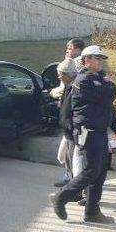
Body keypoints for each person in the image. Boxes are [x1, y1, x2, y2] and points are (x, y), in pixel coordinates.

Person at [49, 45, 116, 224]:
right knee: (91, 171)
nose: (101, 61)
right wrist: (109, 84)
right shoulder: (84, 80)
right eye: (97, 58)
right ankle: (60, 198)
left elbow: (107, 104)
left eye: (102, 58)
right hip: (89, 132)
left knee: (100, 172)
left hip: (100, 131)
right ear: (86, 60)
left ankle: (92, 211)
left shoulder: (97, 78)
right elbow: (107, 96)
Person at [54, 58, 78, 188]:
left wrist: (70, 125)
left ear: (67, 74)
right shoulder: (68, 86)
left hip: (73, 130)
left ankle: (74, 185)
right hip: (67, 131)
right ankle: (69, 178)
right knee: (68, 157)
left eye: (60, 73)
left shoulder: (76, 88)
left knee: (74, 159)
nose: (59, 76)